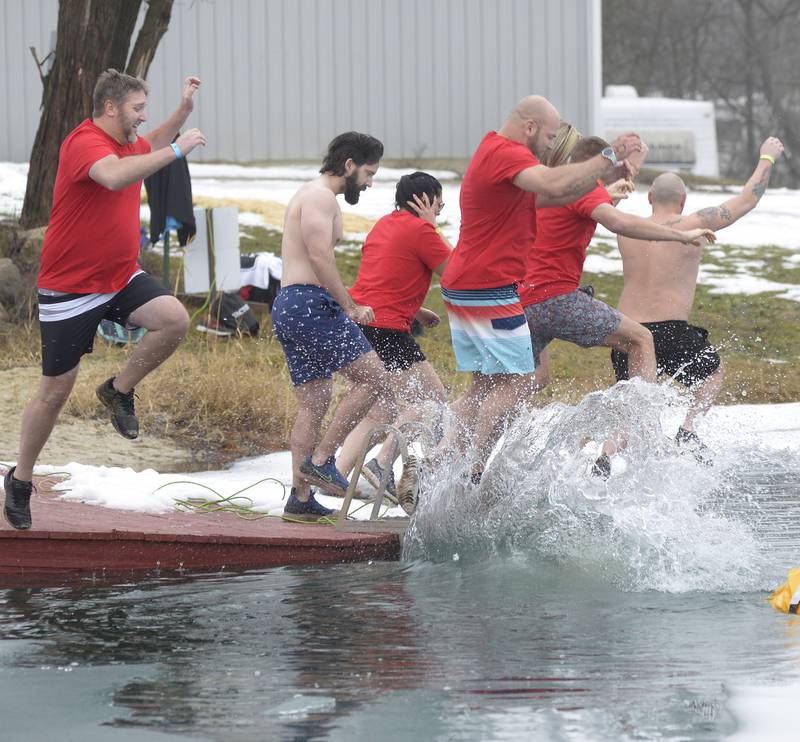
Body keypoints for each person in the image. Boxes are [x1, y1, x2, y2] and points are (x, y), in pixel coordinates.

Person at [3, 69, 206, 531]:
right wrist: (176, 150)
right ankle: (20, 479)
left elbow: (150, 139)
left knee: (173, 319)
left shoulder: (127, 139)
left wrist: (182, 112)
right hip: (71, 288)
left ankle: (118, 390)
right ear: (111, 107)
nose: (142, 118)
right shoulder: (85, 143)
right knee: (55, 391)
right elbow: (114, 177)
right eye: (137, 108)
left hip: (118, 277)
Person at [432, 95, 643, 486]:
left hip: (469, 283)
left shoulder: (495, 152)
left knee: (485, 384)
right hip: (488, 286)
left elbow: (559, 194)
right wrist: (609, 156)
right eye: (549, 136)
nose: (551, 145)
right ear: (529, 127)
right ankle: (474, 472)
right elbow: (552, 181)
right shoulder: (507, 153)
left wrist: (606, 181)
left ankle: (440, 455)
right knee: (517, 381)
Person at [518, 127, 716, 476]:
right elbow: (620, 222)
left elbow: (596, 201)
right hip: (556, 298)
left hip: (521, 300)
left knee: (521, 384)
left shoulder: (549, 192)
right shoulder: (584, 190)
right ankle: (644, 433)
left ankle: (461, 449)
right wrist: (680, 234)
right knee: (641, 339)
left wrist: (630, 164)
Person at [611, 137, 784, 454]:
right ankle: (687, 429)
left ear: (649, 198)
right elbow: (748, 199)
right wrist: (767, 158)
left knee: (631, 409)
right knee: (712, 374)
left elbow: (599, 205)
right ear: (683, 199)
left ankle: (605, 458)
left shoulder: (625, 227)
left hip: (627, 331)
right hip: (671, 331)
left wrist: (626, 169)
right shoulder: (693, 224)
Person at [273, 131, 391, 521]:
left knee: (315, 400)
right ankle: (323, 461)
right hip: (309, 303)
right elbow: (320, 257)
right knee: (376, 378)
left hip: (292, 303)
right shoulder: (320, 197)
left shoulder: (314, 195)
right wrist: (350, 306)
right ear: (350, 165)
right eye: (369, 173)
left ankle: (300, 498)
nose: (370, 182)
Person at [336, 172, 452, 499]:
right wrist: (431, 225)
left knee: (383, 409)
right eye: (437, 198)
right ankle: (381, 465)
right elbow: (459, 272)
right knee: (432, 402)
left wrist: (415, 310)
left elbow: (383, 277)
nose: (442, 204)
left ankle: (336, 477)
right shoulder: (421, 230)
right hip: (386, 329)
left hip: (363, 323)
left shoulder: (385, 224)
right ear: (424, 200)